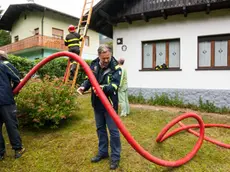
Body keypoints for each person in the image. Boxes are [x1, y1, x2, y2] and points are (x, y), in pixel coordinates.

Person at [77, 44, 122, 170]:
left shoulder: (116, 66)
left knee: (113, 132)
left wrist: (101, 88)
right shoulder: (94, 64)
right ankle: (103, 153)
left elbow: (115, 86)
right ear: (99, 56)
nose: (106, 60)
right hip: (97, 104)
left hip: (110, 104)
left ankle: (115, 157)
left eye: (108, 57)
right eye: (104, 58)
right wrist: (83, 86)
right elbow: (89, 79)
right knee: (100, 129)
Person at [0, 50, 25, 160]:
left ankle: (1, 153)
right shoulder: (5, 64)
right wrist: (14, 90)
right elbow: (17, 78)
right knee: (11, 125)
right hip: (5, 99)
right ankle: (17, 149)